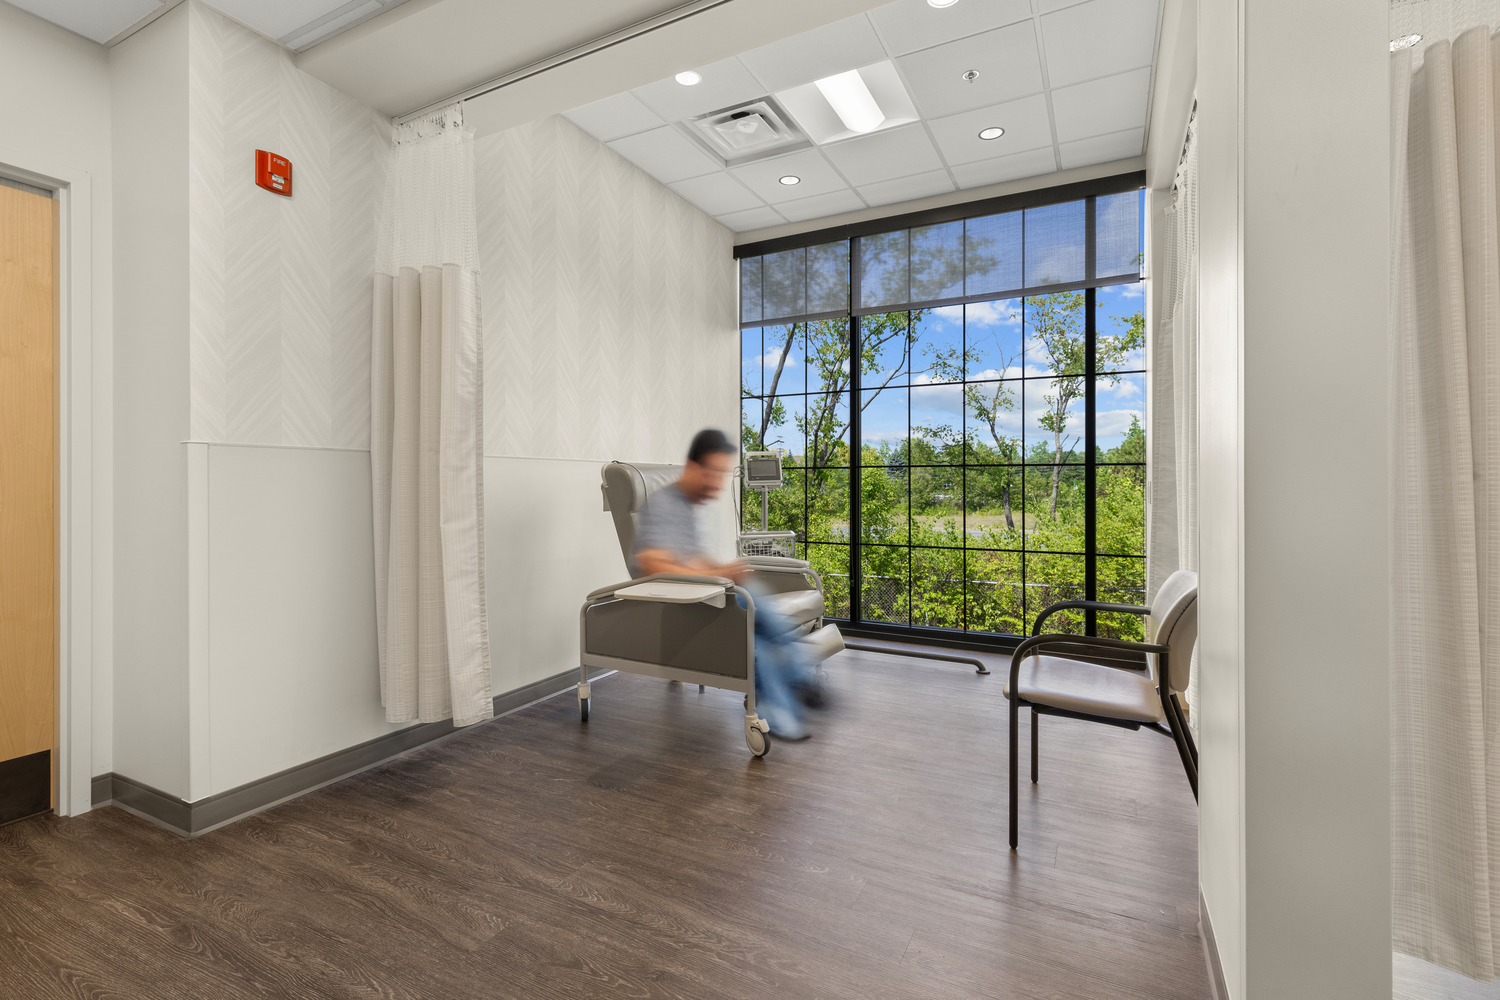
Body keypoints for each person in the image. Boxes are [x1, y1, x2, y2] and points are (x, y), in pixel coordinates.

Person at [632, 428, 821, 740]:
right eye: (714, 473)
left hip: (702, 592)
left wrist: (723, 570)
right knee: (753, 607)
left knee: (757, 637)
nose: (718, 485)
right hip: (680, 606)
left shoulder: (685, 507)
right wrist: (715, 577)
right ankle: (797, 678)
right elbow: (653, 566)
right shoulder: (663, 504)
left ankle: (783, 711)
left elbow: (690, 560)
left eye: (722, 474)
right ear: (694, 467)